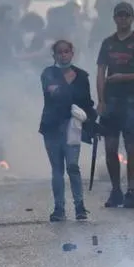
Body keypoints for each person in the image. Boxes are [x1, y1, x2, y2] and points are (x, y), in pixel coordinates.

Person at [96, 2, 134, 209]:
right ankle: (115, 190)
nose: (123, 19)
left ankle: (131, 190)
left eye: (126, 16)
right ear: (114, 18)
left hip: (130, 101)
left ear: (131, 18)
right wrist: (101, 100)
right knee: (110, 147)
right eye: (119, 16)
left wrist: (125, 77)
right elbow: (100, 72)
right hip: (110, 102)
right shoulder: (107, 43)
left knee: (131, 147)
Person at [39, 40, 96, 222]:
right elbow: (54, 94)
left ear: (72, 53)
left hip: (73, 128)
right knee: (57, 169)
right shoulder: (48, 73)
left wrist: (93, 122)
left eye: (66, 52)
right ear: (54, 55)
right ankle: (59, 209)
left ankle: (79, 207)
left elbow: (87, 102)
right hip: (52, 127)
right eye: (59, 52)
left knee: (72, 167)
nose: (63, 55)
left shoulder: (82, 76)